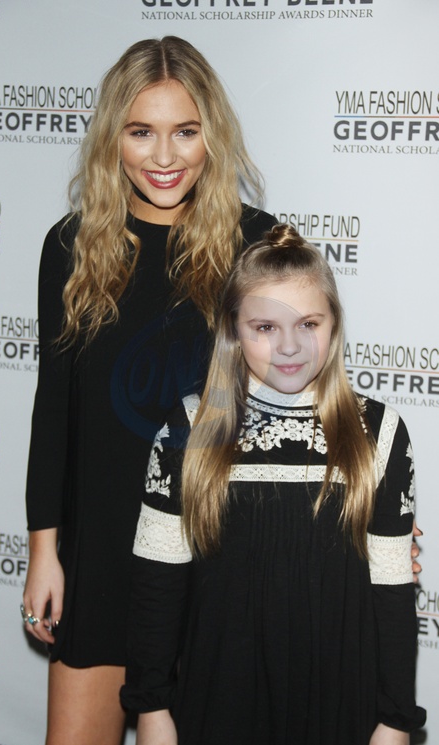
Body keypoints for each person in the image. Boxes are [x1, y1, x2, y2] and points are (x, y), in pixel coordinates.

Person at [21, 36, 278, 745]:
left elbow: (303, 401)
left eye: (185, 131)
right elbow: (54, 410)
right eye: (141, 132)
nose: (164, 156)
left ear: (211, 135)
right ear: (113, 136)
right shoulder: (71, 247)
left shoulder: (259, 245)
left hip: (216, 556)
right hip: (102, 554)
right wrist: (44, 550)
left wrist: (367, 506)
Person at [121, 224, 426, 745]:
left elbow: (393, 595)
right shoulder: (187, 428)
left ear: (334, 324)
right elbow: (157, 584)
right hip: (217, 704)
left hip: (341, 708)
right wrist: (151, 708)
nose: (289, 346)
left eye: (308, 323)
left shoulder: (380, 433)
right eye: (265, 326)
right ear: (233, 331)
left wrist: (396, 720)